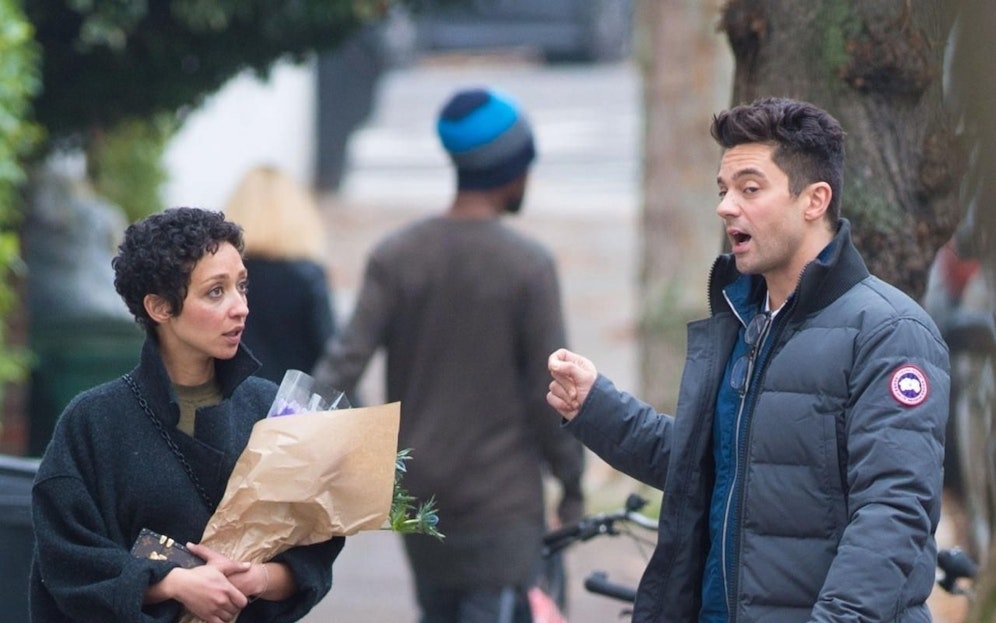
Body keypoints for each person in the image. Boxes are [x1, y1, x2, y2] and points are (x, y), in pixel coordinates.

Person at [547, 97, 950, 622]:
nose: (725, 207)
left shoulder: (891, 333)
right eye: (723, 190)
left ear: (814, 200)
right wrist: (596, 407)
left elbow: (894, 514)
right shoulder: (744, 321)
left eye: (749, 189)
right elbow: (712, 466)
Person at [312, 86, 585, 622]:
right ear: (511, 170)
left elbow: (342, 368)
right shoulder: (527, 266)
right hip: (502, 511)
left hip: (418, 505)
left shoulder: (396, 257)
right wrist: (571, 485)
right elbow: (551, 394)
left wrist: (287, 450)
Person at [30, 207, 345, 622]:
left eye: (241, 286)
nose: (240, 307)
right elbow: (67, 559)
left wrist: (258, 579)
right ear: (160, 308)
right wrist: (173, 583)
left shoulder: (272, 410)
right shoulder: (92, 422)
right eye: (216, 292)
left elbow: (313, 557)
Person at [221, 165, 337, 385]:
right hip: (291, 410)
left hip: (233, 403)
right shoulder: (307, 277)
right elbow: (328, 352)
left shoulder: (221, 278)